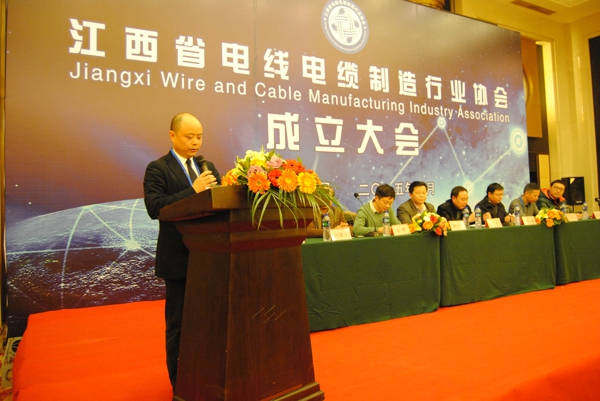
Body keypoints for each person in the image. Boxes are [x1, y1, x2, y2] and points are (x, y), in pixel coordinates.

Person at [143, 112, 220, 390]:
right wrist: (193, 190)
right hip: (178, 258)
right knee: (179, 323)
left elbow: (220, 202)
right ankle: (181, 384)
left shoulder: (207, 167)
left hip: (211, 257)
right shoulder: (158, 168)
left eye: (199, 137)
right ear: (172, 135)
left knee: (210, 321)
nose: (196, 142)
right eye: (190, 137)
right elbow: (155, 208)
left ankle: (209, 375)